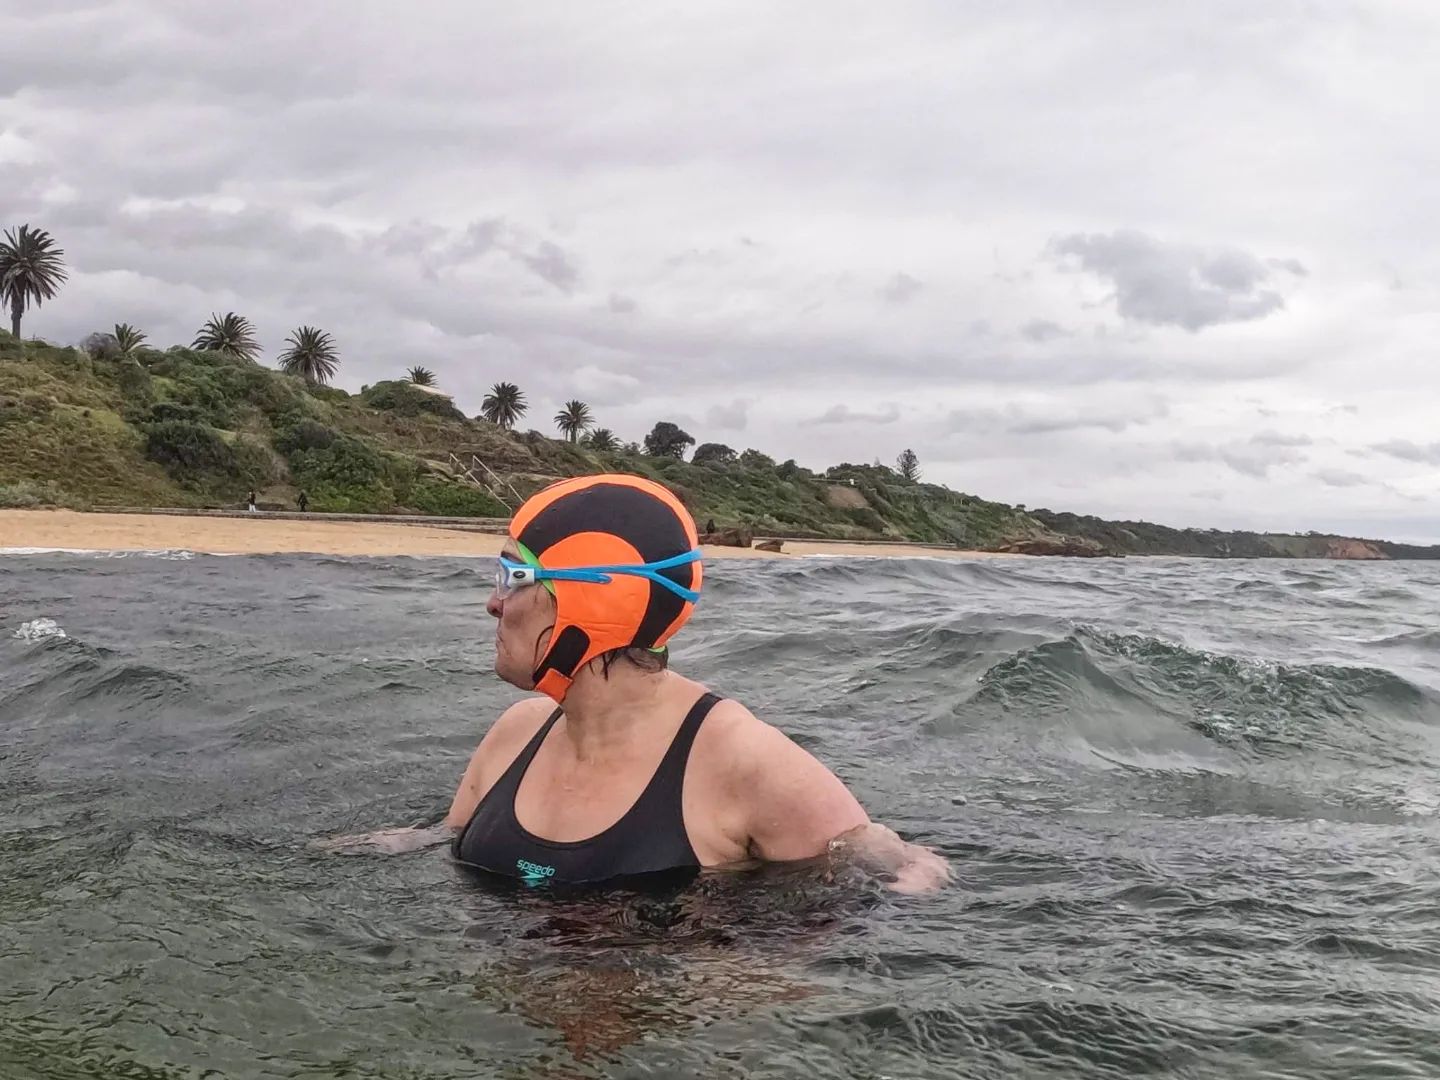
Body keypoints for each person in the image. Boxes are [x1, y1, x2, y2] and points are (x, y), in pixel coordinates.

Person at [326, 473, 950, 893]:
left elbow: (903, 872)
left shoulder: (742, 759)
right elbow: (446, 836)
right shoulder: (515, 733)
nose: (493, 603)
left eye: (513, 575)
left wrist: (736, 981)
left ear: (595, 599)